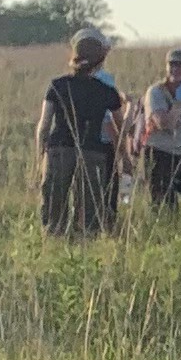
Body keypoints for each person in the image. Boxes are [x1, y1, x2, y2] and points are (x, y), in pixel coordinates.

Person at [35, 27, 126, 236]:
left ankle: (53, 243)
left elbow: (44, 126)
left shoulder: (57, 85)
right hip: (92, 153)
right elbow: (121, 127)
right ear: (100, 61)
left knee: (54, 206)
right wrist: (124, 155)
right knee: (89, 211)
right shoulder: (106, 91)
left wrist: (40, 157)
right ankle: (85, 246)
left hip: (59, 150)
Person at [136, 46, 181, 215]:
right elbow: (164, 123)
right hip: (159, 153)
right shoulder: (156, 92)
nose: (175, 69)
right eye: (172, 65)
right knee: (164, 207)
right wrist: (178, 102)